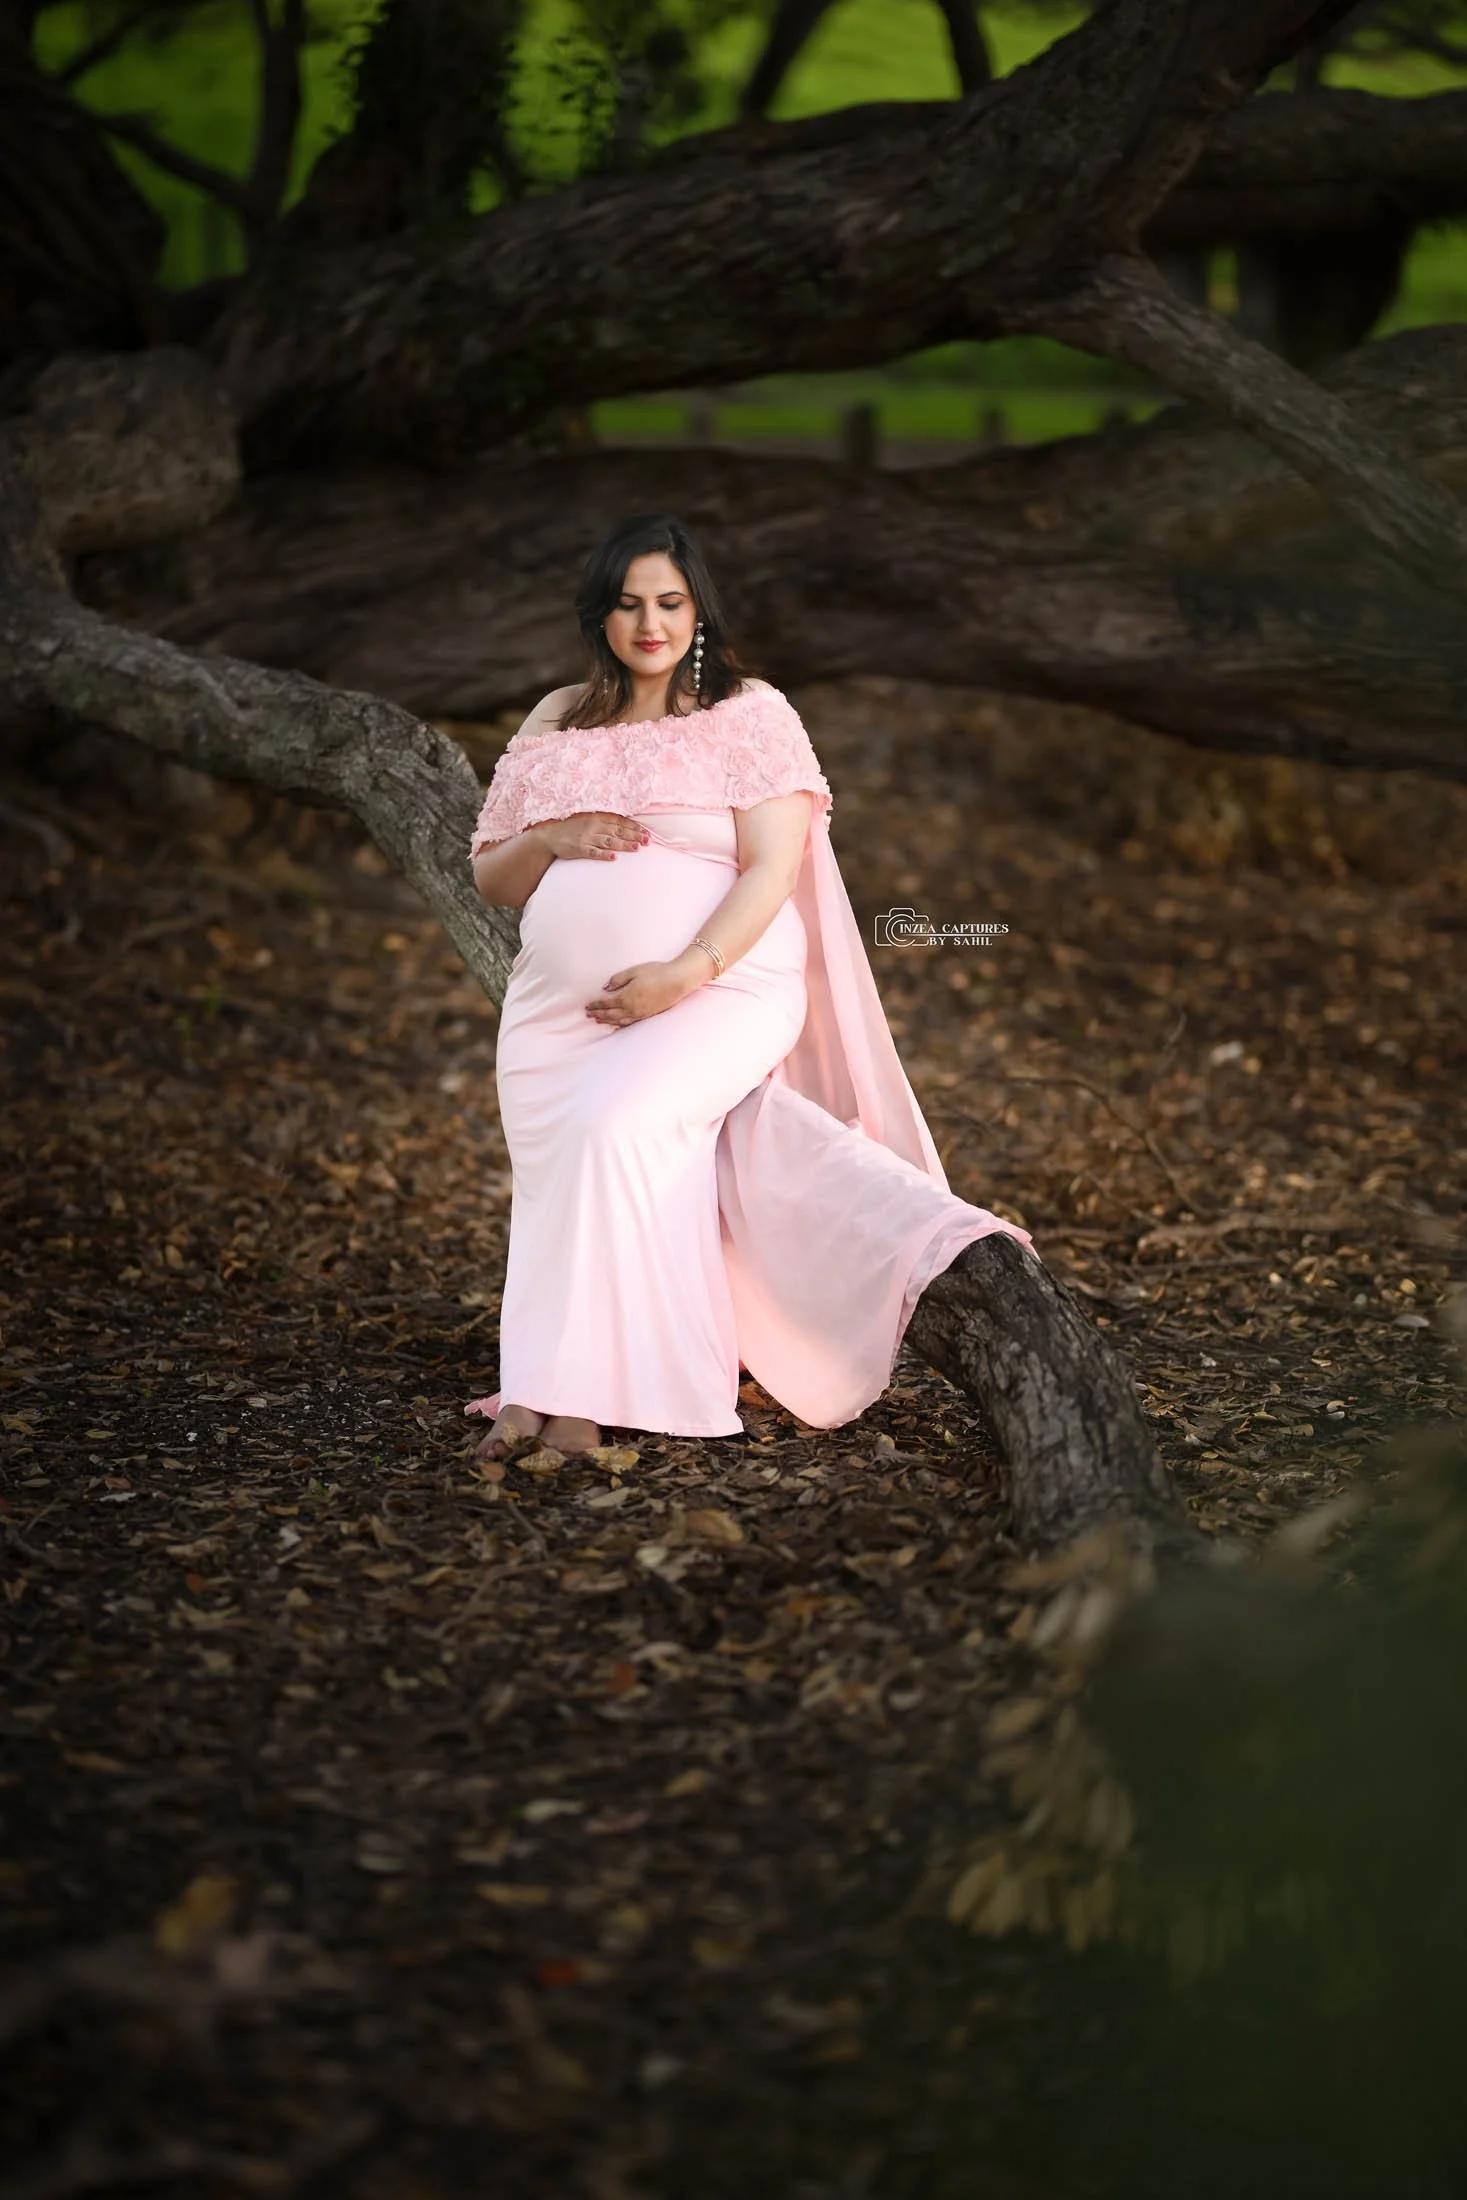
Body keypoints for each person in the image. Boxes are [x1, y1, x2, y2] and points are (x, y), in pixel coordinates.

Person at [466, 513, 1036, 1462]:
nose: (650, 623)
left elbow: (772, 870)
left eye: (670, 602)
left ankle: (610, 1395)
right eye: (627, 603)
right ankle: (537, 1391)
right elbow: (491, 876)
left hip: (721, 987)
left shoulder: (748, 711)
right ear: (597, 616)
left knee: (618, 1126)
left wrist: (682, 973)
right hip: (553, 1014)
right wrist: (551, 838)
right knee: (560, 1169)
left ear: (697, 611)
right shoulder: (556, 717)